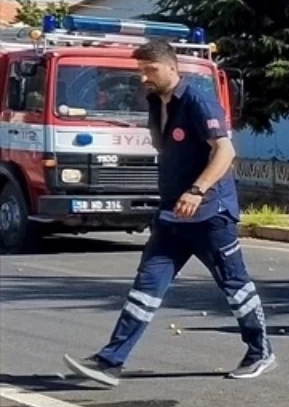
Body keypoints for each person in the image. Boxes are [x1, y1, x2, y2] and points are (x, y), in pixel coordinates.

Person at [64, 40, 274, 387]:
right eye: (140, 71)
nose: (144, 77)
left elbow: (225, 151)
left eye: (150, 70)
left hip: (209, 214)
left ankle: (260, 352)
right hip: (172, 216)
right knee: (146, 286)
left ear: (171, 67)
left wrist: (197, 189)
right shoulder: (153, 102)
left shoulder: (196, 100)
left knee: (235, 287)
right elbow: (167, 148)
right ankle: (110, 361)